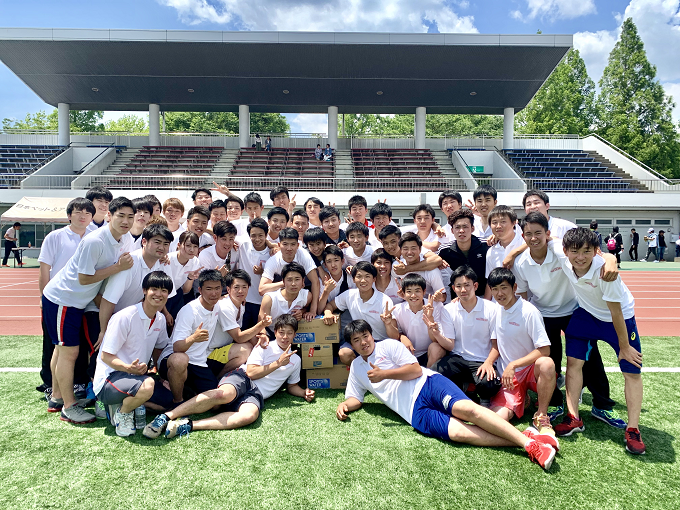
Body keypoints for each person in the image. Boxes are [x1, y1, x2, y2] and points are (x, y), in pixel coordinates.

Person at [336, 320, 559, 471]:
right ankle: (525, 439)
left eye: (365, 336)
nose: (363, 342)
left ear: (371, 335)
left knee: (468, 411)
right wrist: (345, 405)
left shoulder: (388, 346)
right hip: (413, 413)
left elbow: (415, 370)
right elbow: (356, 397)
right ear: (352, 345)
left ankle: (531, 446)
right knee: (461, 433)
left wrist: (384, 374)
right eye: (356, 340)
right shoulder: (356, 367)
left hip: (427, 384)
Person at [513, 213, 624, 427]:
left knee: (591, 360)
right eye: (528, 234)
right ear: (523, 236)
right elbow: (524, 296)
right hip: (544, 315)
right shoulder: (521, 262)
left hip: (574, 311)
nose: (534, 238)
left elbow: (590, 252)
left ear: (547, 233)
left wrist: (610, 258)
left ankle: (602, 405)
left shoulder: (558, 250)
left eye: (538, 233)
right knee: (550, 362)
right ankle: (555, 403)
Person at [144, 314, 314, 440]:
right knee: (223, 394)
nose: (285, 337)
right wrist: (277, 363)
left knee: (249, 416)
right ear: (275, 332)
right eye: (281, 332)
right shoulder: (264, 346)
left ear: (295, 335)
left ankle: (188, 425)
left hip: (256, 394)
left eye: (289, 333)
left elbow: (292, 386)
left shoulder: (296, 360)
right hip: (242, 377)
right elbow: (251, 373)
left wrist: (303, 393)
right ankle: (167, 416)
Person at [42, 197, 135, 424]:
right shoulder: (95, 241)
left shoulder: (124, 239)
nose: (126, 221)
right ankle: (68, 407)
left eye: (130, 217)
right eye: (121, 216)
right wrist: (117, 267)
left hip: (77, 302)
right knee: (69, 353)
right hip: (63, 299)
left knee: (61, 351)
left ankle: (57, 397)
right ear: (109, 216)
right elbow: (84, 278)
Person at [554, 228, 645, 455]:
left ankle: (633, 429)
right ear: (565, 251)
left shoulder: (605, 273)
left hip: (619, 319)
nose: (580, 257)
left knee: (631, 370)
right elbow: (547, 238)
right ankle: (574, 417)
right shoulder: (563, 255)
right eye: (575, 251)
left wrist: (624, 347)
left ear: (596, 251)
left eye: (587, 251)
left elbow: (615, 313)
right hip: (586, 314)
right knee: (573, 363)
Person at [92, 271, 174, 437]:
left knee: (168, 402)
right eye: (154, 289)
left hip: (137, 378)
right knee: (147, 386)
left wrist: (163, 377)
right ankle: (123, 412)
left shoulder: (159, 319)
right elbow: (105, 356)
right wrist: (128, 367)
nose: (159, 294)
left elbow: (159, 349)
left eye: (164, 290)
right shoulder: (125, 317)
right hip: (110, 379)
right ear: (144, 290)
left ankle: (129, 403)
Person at [486, 268, 556, 436]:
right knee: (497, 420)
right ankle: (523, 398)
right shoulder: (496, 309)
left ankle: (541, 415)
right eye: (495, 289)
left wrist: (514, 364)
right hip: (510, 377)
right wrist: (488, 362)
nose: (499, 293)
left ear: (514, 287)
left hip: (529, 370)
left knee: (547, 364)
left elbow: (545, 349)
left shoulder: (529, 312)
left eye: (504, 287)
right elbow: (496, 343)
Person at [37, 198, 95, 396]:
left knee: (76, 345)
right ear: (69, 215)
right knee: (54, 345)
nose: (82, 216)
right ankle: (50, 385)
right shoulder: (56, 236)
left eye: (87, 213)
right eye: (78, 212)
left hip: (83, 300)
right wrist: (42, 297)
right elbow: (45, 269)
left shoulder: (94, 236)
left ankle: (77, 383)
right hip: (59, 299)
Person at [432, 266, 502, 405]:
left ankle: (478, 395)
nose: (463, 290)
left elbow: (497, 344)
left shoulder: (492, 309)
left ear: (475, 286)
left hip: (482, 360)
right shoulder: (448, 310)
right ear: (453, 288)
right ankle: (465, 387)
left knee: (489, 384)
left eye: (467, 285)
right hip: (458, 358)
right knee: (435, 373)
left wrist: (488, 363)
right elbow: (450, 345)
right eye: (458, 286)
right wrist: (436, 333)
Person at [97, 224, 174, 345]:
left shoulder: (162, 264)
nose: (161, 247)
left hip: (127, 319)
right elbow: (108, 300)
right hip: (100, 313)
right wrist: (104, 331)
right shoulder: (129, 263)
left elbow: (159, 300)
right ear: (144, 242)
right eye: (157, 242)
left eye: (166, 244)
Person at [157, 269, 224, 405]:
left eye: (217, 288)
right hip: (173, 359)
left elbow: (229, 298)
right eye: (209, 289)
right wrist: (194, 337)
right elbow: (177, 347)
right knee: (180, 360)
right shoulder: (189, 311)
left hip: (199, 361)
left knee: (217, 404)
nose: (214, 293)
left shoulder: (217, 305)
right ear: (200, 290)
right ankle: (178, 401)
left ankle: (185, 389)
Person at [323, 261, 394, 365]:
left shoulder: (384, 301)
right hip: (359, 340)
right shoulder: (349, 295)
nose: (363, 280)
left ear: (374, 279)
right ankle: (362, 370)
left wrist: (388, 323)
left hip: (380, 341)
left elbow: (394, 336)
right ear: (353, 279)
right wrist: (328, 313)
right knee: (344, 354)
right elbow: (330, 305)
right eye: (359, 276)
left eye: (367, 276)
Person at [207, 270, 271, 378]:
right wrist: (262, 324)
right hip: (210, 353)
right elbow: (239, 338)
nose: (240, 291)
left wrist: (261, 334)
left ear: (248, 288)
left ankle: (261, 372)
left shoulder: (241, 303)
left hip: (224, 348)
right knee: (245, 350)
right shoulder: (225, 307)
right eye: (236, 287)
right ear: (228, 289)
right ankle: (219, 379)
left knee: (256, 339)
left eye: (244, 287)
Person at [381, 274, 453, 368]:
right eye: (409, 291)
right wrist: (389, 325)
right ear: (403, 293)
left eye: (417, 291)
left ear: (424, 291)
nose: (413, 295)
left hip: (429, 352)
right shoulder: (398, 309)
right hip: (410, 352)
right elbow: (395, 336)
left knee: (436, 348)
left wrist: (429, 317)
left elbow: (435, 340)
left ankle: (428, 374)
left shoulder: (435, 306)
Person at [258, 228, 319, 316]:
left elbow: (315, 281)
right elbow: (261, 289)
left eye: (293, 244)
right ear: (279, 245)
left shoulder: (304, 255)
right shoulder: (273, 261)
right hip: (280, 297)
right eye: (285, 244)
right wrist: (286, 283)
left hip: (300, 296)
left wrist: (313, 311)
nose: (289, 248)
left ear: (298, 245)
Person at [438, 209, 489, 298]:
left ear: (472, 228)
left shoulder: (485, 246)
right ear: (452, 230)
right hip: (457, 299)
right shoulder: (444, 251)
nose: (461, 231)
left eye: (465, 226)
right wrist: (438, 261)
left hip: (484, 297)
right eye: (457, 227)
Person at [259, 262, 315, 337]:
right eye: (289, 280)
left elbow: (306, 308)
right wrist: (263, 336)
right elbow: (260, 324)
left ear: (303, 281)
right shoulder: (269, 299)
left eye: (297, 279)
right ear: (283, 281)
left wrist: (301, 312)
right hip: (271, 333)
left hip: (293, 335)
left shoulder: (307, 296)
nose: (293, 284)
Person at [237, 218, 272, 329]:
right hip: (244, 301)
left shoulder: (272, 253)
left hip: (263, 302)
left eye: (260, 235)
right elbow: (222, 234)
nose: (257, 239)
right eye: (253, 235)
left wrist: (263, 273)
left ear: (266, 234)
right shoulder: (243, 245)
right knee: (243, 331)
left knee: (261, 333)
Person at [484, 206, 523, 295]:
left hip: (524, 300)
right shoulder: (491, 252)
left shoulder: (524, 244)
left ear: (514, 222)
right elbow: (490, 282)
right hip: (499, 301)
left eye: (503, 221)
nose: (498, 226)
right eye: (494, 222)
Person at [165, 231, 203, 321]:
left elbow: (185, 290)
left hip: (177, 294)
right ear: (179, 245)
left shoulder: (195, 261)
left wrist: (190, 278)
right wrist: (166, 313)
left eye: (195, 246)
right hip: (162, 295)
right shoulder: (167, 260)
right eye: (188, 246)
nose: (192, 250)